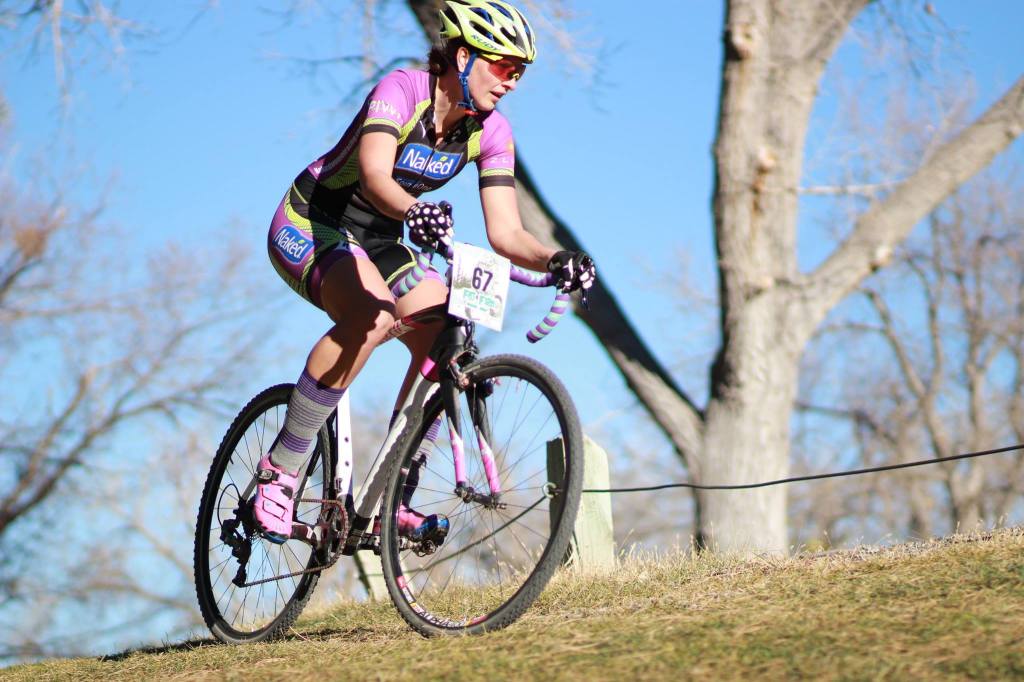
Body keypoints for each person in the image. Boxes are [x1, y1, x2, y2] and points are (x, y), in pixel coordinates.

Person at [258, 0, 596, 544]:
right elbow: (374, 176)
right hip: (314, 220)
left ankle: (394, 494)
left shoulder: (491, 132)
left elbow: (507, 234)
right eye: (504, 67)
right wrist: (415, 210)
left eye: (520, 73)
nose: (511, 82)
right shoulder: (402, 90)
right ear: (464, 57)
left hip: (382, 240)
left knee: (445, 338)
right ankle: (280, 471)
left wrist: (557, 260)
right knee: (371, 318)